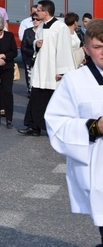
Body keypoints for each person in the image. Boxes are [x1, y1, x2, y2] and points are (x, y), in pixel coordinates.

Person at [45, 19, 103, 246]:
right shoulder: (74, 81)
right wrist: (95, 127)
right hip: (98, 168)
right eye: (98, 47)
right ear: (86, 50)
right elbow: (56, 124)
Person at [18, 0, 76, 136]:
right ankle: (33, 126)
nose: (35, 12)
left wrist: (62, 71)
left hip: (52, 71)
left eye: (38, 10)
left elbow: (64, 50)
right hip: (40, 69)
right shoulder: (42, 26)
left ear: (46, 11)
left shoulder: (60, 27)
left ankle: (56, 128)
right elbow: (36, 43)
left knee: (52, 102)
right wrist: (35, 44)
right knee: (35, 98)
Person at [20, 13, 41, 95]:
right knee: (30, 77)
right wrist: (33, 53)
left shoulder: (44, 32)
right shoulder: (28, 32)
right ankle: (30, 91)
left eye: (37, 19)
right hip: (29, 59)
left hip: (41, 59)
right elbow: (23, 47)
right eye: (33, 19)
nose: (35, 21)